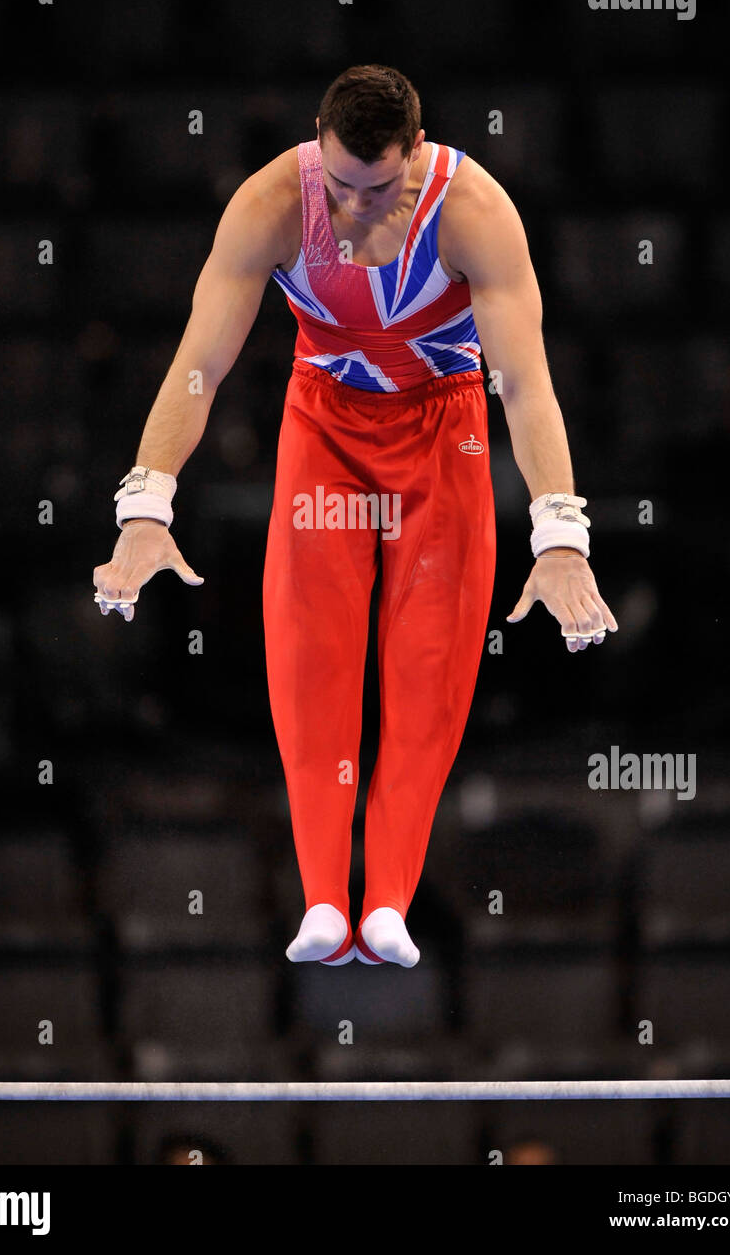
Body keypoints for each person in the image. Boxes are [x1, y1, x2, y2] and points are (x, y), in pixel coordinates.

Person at [93, 65, 617, 969]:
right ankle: (325, 900)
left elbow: (524, 384)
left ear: (414, 153)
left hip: (442, 432)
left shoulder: (474, 214)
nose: (351, 209)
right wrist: (146, 504)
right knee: (310, 656)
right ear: (316, 146)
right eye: (337, 185)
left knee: (428, 666)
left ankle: (388, 905)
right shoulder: (270, 205)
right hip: (323, 423)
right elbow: (198, 365)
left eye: (375, 190)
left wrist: (560, 536)